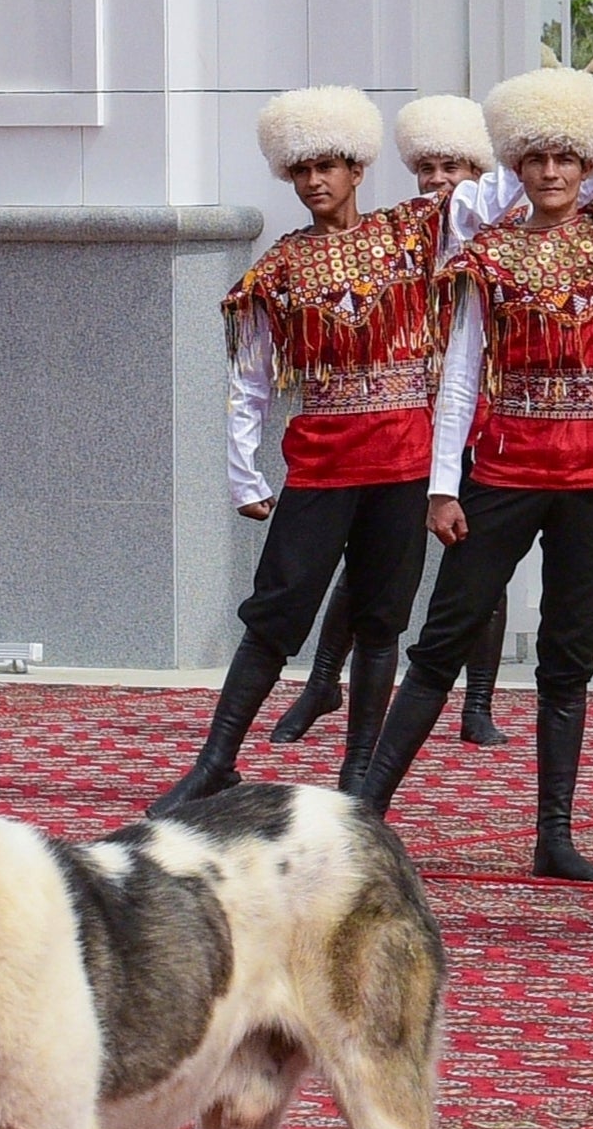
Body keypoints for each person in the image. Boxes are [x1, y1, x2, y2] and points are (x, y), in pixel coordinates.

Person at [350, 60, 593, 881]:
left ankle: (554, 834)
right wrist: (443, 484)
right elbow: (460, 371)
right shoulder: (485, 256)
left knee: (570, 656)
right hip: (507, 469)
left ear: (588, 160)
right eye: (539, 159)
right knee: (442, 641)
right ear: (517, 166)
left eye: (569, 157)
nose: (555, 171)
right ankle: (366, 815)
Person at [151, 87, 442, 813]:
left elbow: (511, 192)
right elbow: (248, 377)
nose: (314, 181)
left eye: (328, 166)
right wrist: (242, 471)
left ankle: (357, 782)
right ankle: (216, 758)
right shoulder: (276, 270)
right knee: (274, 615)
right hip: (321, 462)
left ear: (356, 168)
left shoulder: (413, 234)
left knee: (382, 621)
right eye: (301, 169)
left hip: (406, 460)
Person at [273, 94, 516, 752]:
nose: (438, 181)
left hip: (480, 408)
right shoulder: (410, 233)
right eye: (427, 168)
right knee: (371, 560)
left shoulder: (505, 224)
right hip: (405, 416)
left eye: (453, 168)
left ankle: (480, 702)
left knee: (478, 558)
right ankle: (324, 680)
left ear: (480, 173)